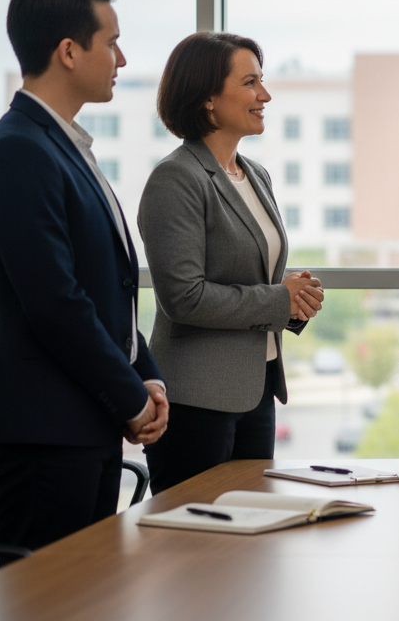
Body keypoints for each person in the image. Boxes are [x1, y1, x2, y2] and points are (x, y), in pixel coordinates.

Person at [0, 0, 168, 551]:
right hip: (44, 427)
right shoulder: (18, 151)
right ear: (69, 51)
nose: (121, 58)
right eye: (111, 42)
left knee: (89, 597)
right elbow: (55, 303)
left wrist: (144, 373)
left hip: (81, 419)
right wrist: (130, 397)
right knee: (50, 605)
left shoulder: (61, 144)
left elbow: (110, 287)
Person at [138, 32, 324, 494]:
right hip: (197, 398)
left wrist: (292, 294)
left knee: (250, 545)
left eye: (262, 81)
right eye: (250, 82)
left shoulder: (254, 174)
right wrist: (276, 299)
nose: (265, 95)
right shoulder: (175, 179)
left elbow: (250, 273)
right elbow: (184, 297)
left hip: (256, 390)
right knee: (196, 550)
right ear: (208, 100)